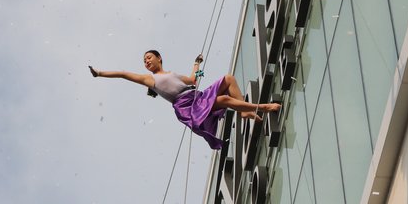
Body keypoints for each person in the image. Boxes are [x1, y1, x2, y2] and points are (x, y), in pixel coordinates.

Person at [88, 50, 280, 151]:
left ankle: (245, 111)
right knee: (222, 99)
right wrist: (100, 73)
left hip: (197, 96)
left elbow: (194, 80)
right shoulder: (150, 79)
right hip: (187, 106)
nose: (146, 62)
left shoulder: (173, 74)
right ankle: (261, 107)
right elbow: (123, 74)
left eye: (148, 58)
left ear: (159, 58)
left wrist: (197, 63)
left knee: (228, 79)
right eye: (144, 61)